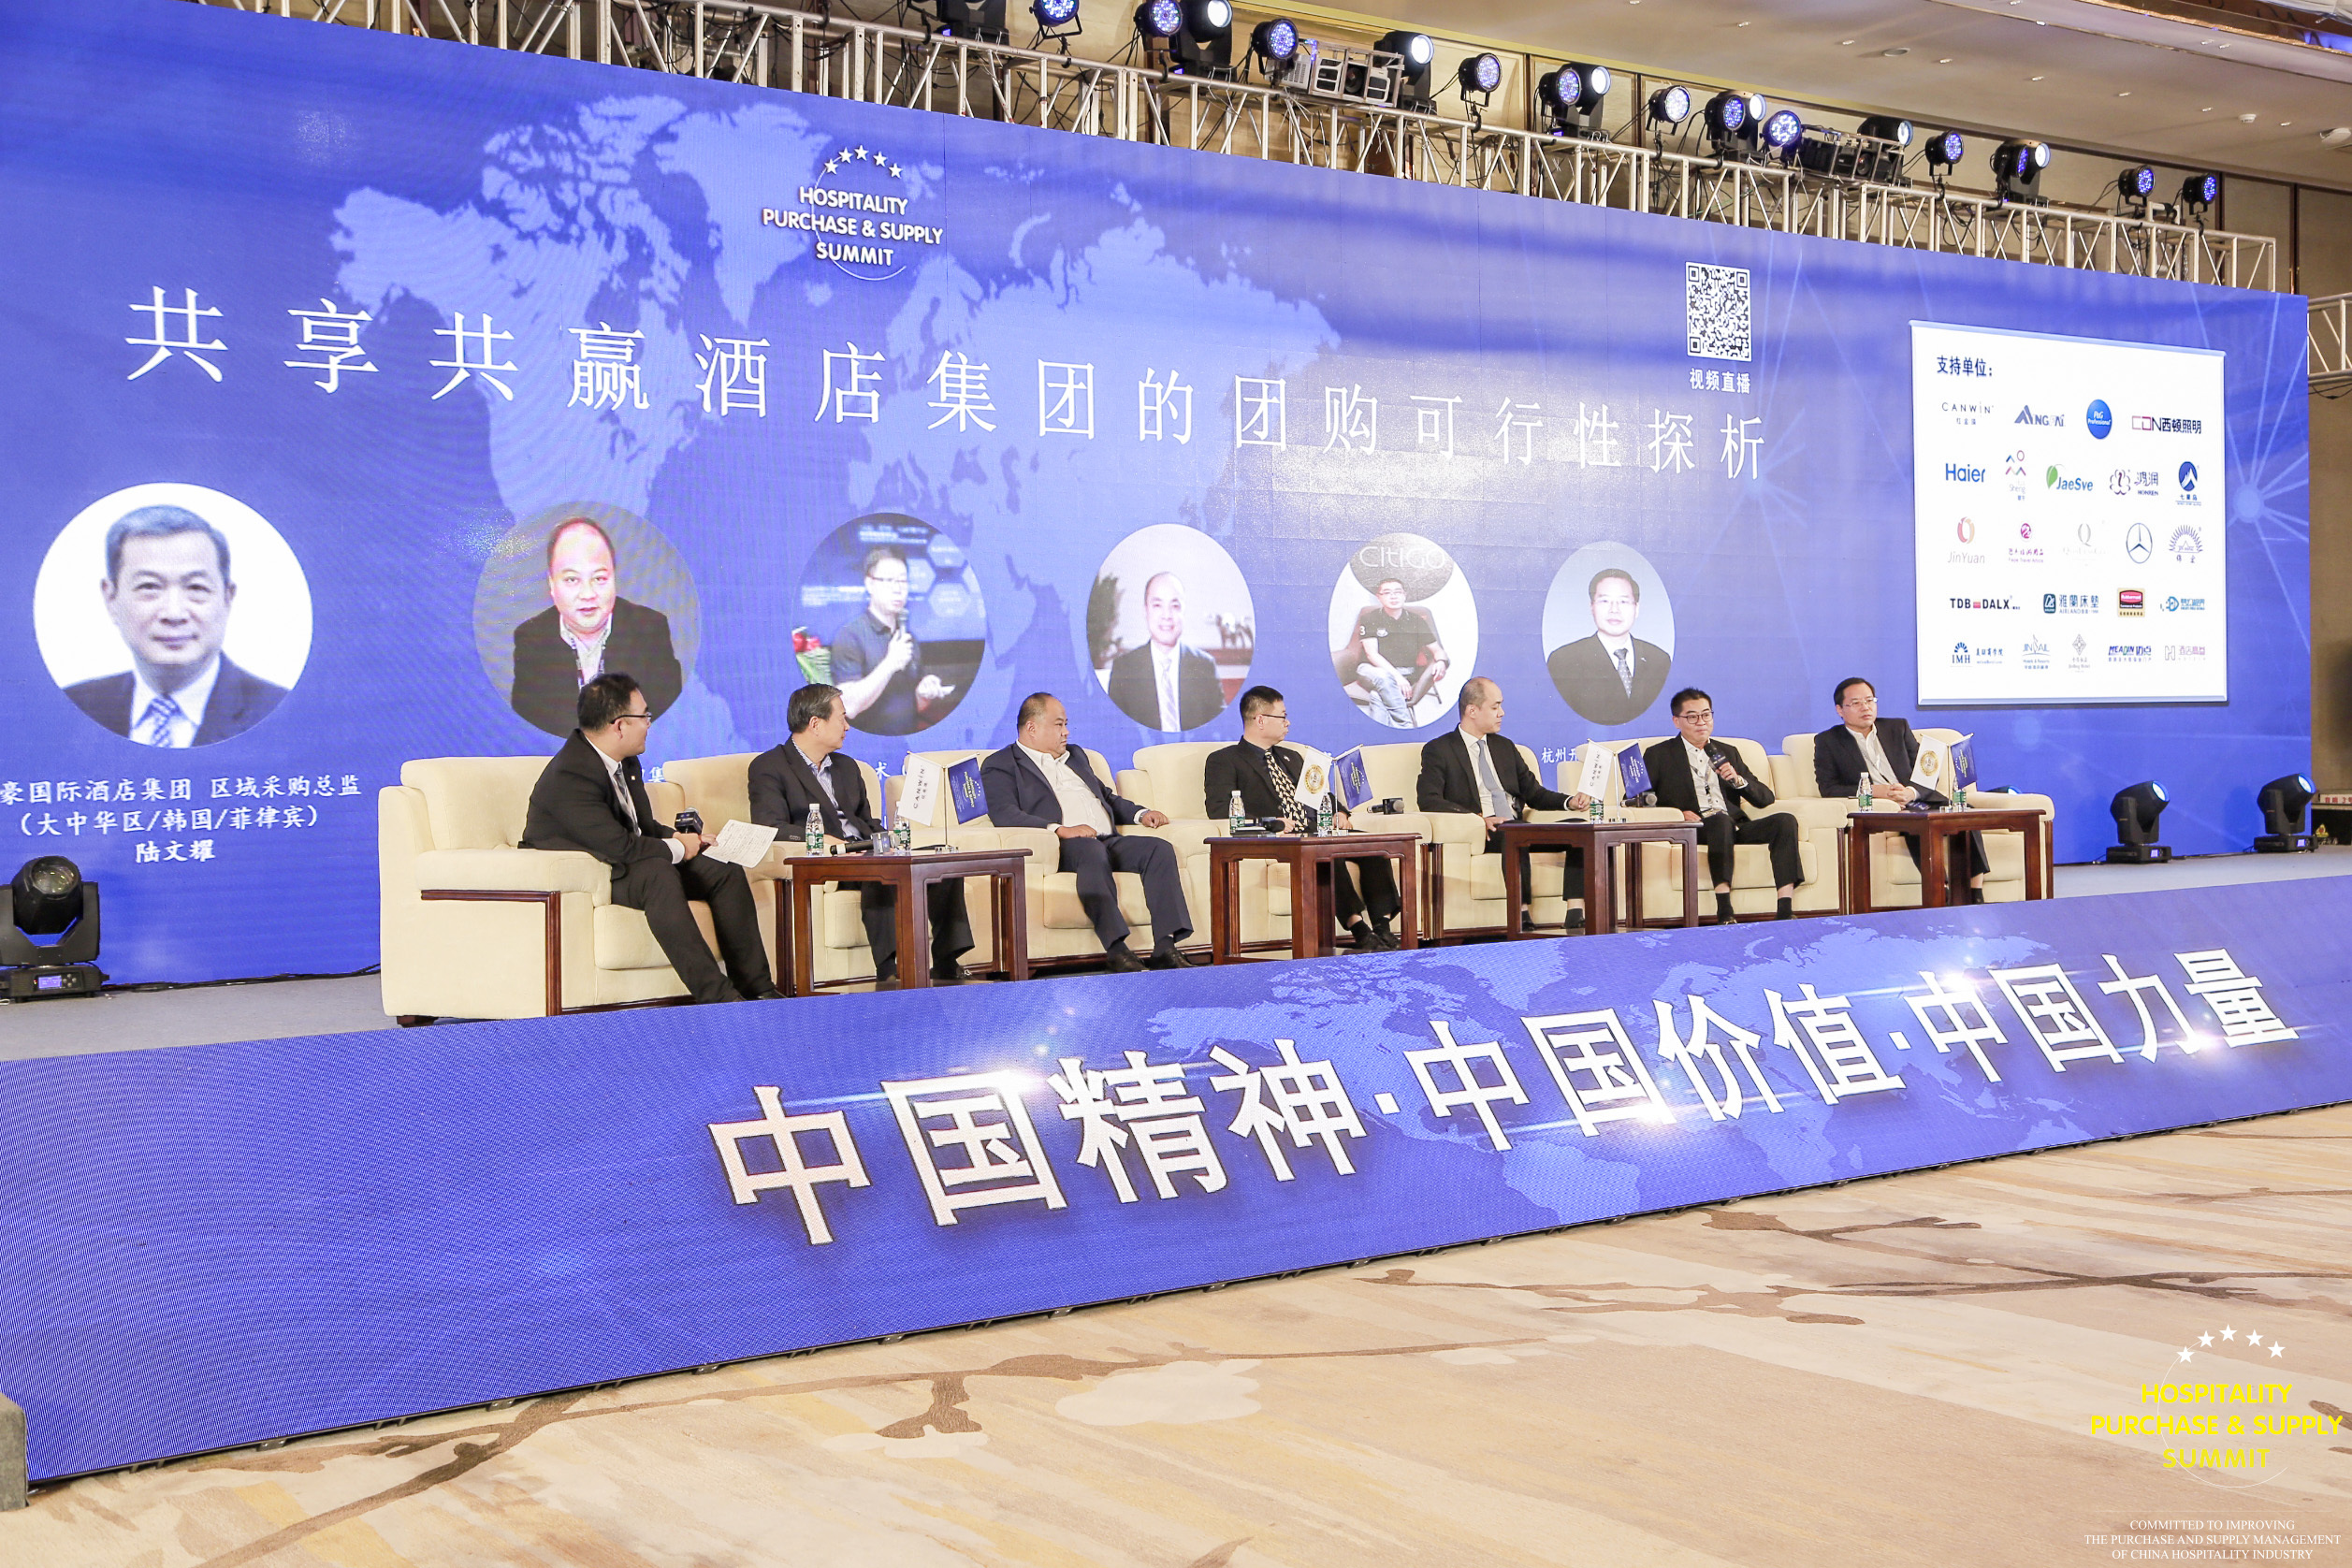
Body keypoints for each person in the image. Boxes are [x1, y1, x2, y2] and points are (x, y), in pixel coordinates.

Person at [520, 673, 779, 1005]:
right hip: (595, 870)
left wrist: (685, 839)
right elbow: (620, 846)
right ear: (619, 726)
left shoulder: (626, 762)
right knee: (658, 874)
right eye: (644, 716)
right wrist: (679, 848)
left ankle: (758, 989)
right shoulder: (571, 774)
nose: (649, 724)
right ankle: (718, 998)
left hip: (623, 860)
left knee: (722, 869)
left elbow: (640, 827)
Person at [748, 683, 974, 989]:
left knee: (939, 861)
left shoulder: (847, 767)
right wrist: (822, 840)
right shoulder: (770, 766)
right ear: (815, 724)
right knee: (877, 870)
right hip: (829, 861)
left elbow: (866, 821)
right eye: (841, 718)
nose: (847, 726)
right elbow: (769, 825)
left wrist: (890, 841)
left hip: (866, 848)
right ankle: (889, 969)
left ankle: (946, 960)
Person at [981, 692, 1195, 970]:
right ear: (1032, 728)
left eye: (1066, 724)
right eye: (1059, 724)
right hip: (1062, 846)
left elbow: (1107, 797)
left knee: (1158, 849)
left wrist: (1141, 814)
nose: (1066, 732)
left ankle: (1165, 947)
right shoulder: (1001, 764)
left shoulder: (1076, 756)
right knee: (1091, 850)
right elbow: (1004, 813)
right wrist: (1060, 830)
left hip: (1107, 840)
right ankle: (1116, 949)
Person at [65, 504, 287, 747]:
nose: (174, 613)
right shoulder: (73, 708)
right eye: (149, 586)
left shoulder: (282, 715)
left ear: (227, 598)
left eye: (196, 588)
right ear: (111, 599)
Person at [1202, 685, 1402, 951]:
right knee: (1325, 851)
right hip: (1279, 838)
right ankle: (1359, 930)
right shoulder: (1224, 760)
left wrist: (1339, 812)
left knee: (1373, 846)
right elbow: (1219, 808)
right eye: (1282, 717)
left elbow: (1321, 795)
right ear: (1260, 720)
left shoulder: (1292, 757)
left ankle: (1382, 927)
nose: (1288, 723)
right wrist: (1271, 821)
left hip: (1314, 830)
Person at [1415, 677, 1592, 929]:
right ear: (1472, 711)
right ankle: (1521, 914)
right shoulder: (1440, 749)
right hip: (1486, 830)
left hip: (1516, 824)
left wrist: (1569, 802)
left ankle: (1575, 912)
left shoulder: (1505, 747)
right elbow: (1428, 800)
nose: (1502, 713)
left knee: (1580, 830)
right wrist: (1477, 819)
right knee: (1514, 834)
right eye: (1495, 706)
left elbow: (1534, 793)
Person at [1812, 676, 1989, 902]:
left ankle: (1975, 894)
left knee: (1966, 813)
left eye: (1870, 700)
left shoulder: (1897, 728)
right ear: (1840, 709)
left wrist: (1911, 792)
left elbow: (1926, 773)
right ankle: (1941, 892)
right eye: (1856, 703)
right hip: (1884, 807)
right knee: (1916, 823)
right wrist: (1876, 791)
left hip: (1917, 798)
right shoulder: (1828, 741)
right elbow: (1828, 788)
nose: (1865, 707)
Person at [510, 516, 684, 737]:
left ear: (614, 578)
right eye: (572, 580)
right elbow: (531, 730)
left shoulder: (650, 631)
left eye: (599, 579)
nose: (588, 594)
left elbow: (667, 722)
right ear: (551, 583)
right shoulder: (531, 640)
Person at [1643, 689, 1802, 924]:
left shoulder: (1727, 752)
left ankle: (1785, 909)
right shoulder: (1659, 754)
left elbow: (1765, 798)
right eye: (1692, 717)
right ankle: (1725, 910)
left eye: (1706, 715)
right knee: (1719, 820)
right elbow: (1639, 799)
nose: (1701, 722)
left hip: (1735, 826)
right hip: (1697, 828)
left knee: (1785, 821)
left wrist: (1737, 780)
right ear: (1676, 721)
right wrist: (1676, 814)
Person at [830, 544, 954, 736]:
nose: (898, 589)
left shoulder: (908, 639)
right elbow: (848, 707)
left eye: (903, 581)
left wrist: (923, 694)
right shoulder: (849, 636)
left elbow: (913, 707)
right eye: (889, 580)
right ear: (870, 584)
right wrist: (890, 663)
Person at [1546, 568, 1670, 726]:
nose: (1614, 610)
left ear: (1636, 608)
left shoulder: (1659, 659)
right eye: (1605, 601)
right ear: (1592, 607)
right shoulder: (1564, 660)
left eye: (1623, 601)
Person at [1105, 572, 1224, 732]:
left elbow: (1219, 730)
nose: (1167, 616)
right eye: (1157, 605)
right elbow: (1116, 731)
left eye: (1175, 606)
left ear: (1183, 611)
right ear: (1145, 611)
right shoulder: (1124, 669)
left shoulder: (1204, 666)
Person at [1345, 577, 1448, 729]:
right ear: (1379, 597)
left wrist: (1440, 661)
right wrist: (1397, 677)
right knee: (1383, 677)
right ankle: (1405, 725)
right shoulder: (1370, 618)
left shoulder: (1417, 621)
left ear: (1404, 595)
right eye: (1387, 592)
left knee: (1377, 696)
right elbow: (1372, 655)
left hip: (1405, 673)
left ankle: (1379, 735)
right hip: (1371, 670)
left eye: (1397, 592)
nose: (1393, 596)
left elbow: (1438, 650)